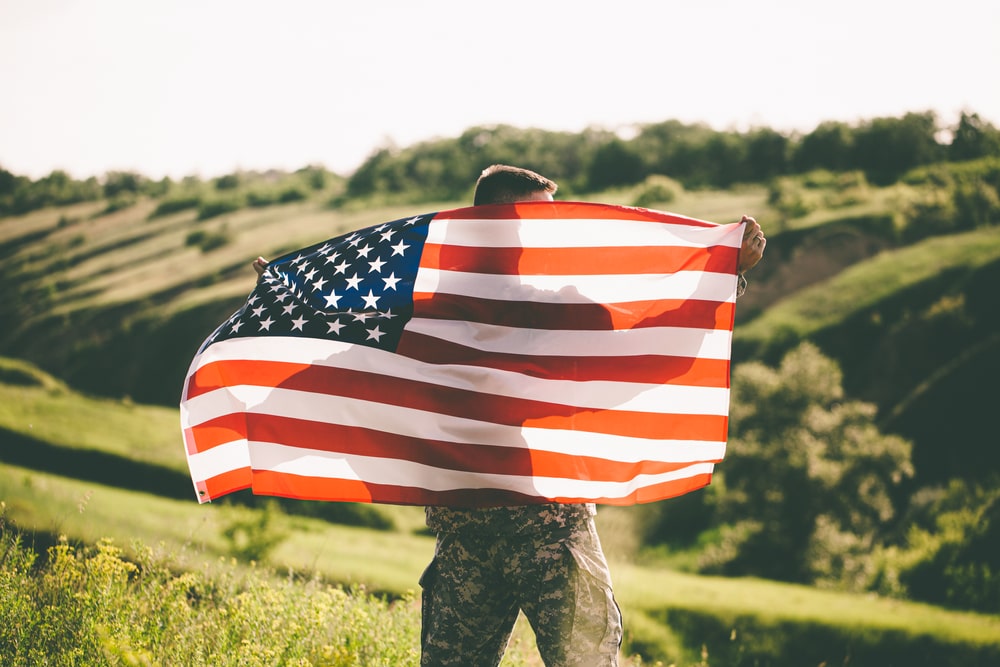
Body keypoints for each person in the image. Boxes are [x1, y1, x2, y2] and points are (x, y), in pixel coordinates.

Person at [253, 164, 766, 667]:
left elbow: (648, 343)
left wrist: (728, 273)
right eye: (537, 220)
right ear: (499, 226)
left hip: (549, 532)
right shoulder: (428, 312)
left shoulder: (554, 310)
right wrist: (289, 296)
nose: (548, 233)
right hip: (469, 538)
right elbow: (346, 359)